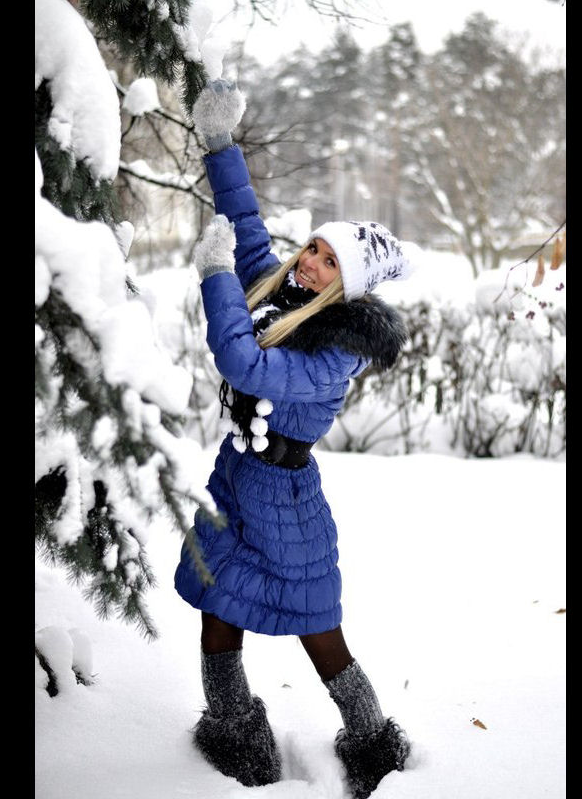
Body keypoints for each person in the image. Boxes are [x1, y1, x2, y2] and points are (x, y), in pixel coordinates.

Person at [173, 79, 413, 799]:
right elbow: (247, 227)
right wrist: (220, 144)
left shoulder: (334, 352)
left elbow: (245, 363)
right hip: (235, 482)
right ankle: (233, 733)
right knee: (218, 607)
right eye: (313, 248)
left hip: (285, 503)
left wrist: (215, 277)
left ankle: (373, 744)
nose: (309, 262)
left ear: (349, 286)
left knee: (318, 629)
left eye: (329, 262)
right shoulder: (284, 295)